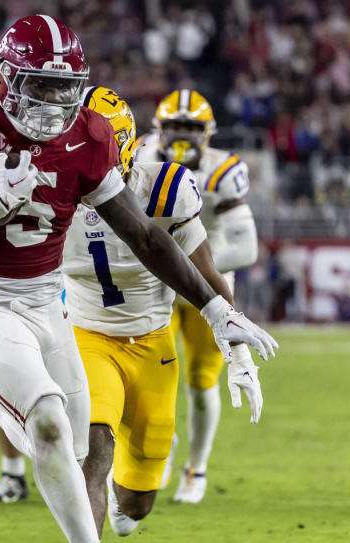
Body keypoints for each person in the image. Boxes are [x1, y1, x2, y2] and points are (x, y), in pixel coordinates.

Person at [0, 15, 276, 543]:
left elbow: (145, 236)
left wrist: (215, 310)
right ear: (5, 79)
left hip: (43, 301)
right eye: (41, 85)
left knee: (75, 455)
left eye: (65, 86)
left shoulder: (89, 135)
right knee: (49, 423)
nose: (55, 102)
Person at [137, 89, 261, 503]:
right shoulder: (138, 157)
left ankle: (198, 467)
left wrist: (187, 266)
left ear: (206, 132)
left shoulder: (222, 170)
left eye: (191, 127)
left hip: (208, 286)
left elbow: (246, 248)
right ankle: (158, 451)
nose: (183, 135)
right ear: (159, 128)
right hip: (156, 287)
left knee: (202, 382)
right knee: (152, 379)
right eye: (175, 126)